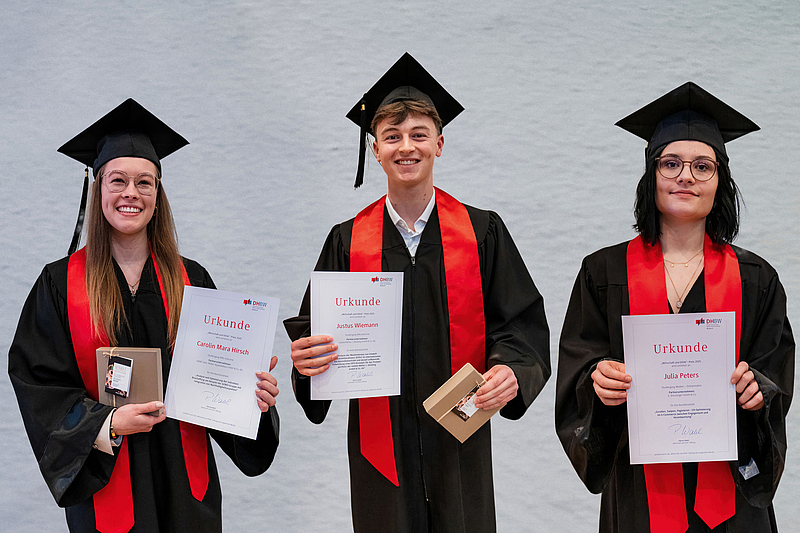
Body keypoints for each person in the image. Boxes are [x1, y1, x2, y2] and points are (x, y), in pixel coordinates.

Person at [284, 53, 551, 533]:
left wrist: (512, 370)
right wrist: (306, 363)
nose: (406, 147)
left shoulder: (482, 233)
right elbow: (315, 337)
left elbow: (519, 324)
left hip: (460, 433)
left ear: (439, 144)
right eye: (392, 136)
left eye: (419, 135)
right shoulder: (346, 241)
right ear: (375, 149)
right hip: (380, 447)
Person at [8, 99, 280, 533]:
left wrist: (253, 400)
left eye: (144, 182)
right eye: (117, 180)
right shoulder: (59, 284)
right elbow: (38, 383)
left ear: (158, 195)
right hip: (108, 488)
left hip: (185, 488)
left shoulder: (192, 279)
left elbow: (219, 378)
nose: (130, 193)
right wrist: (108, 423)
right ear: (98, 189)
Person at [555, 82, 794, 532]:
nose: (686, 176)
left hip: (730, 496)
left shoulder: (756, 278)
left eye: (702, 166)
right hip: (640, 492)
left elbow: (774, 371)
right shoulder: (603, 273)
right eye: (671, 163)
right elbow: (579, 365)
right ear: (652, 176)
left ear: (720, 181)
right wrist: (597, 379)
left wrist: (757, 389)